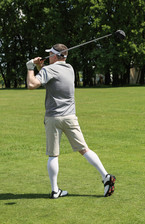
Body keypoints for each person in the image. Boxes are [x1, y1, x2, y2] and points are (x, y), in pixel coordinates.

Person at [26, 43, 116, 199]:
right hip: (70, 117)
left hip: (53, 118)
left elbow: (32, 84)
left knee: (53, 155)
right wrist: (42, 67)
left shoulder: (49, 69)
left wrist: (30, 67)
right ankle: (105, 176)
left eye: (50, 54)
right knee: (84, 149)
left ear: (54, 56)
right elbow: (52, 81)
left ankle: (55, 191)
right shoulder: (70, 69)